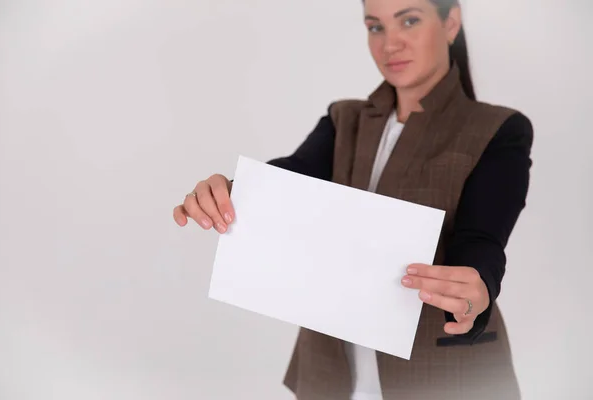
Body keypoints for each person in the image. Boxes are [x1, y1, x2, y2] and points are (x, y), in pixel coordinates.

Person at [173, 0, 533, 398]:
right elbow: (289, 179)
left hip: (442, 372)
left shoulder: (498, 129)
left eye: (409, 21)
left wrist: (476, 289)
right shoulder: (344, 118)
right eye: (375, 26)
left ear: (451, 22)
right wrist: (231, 189)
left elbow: (480, 240)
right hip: (332, 374)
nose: (390, 43)